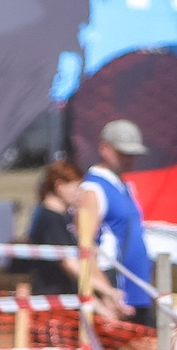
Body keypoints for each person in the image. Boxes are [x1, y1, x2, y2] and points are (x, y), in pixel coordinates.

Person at [74, 120, 155, 323]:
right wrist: (106, 292)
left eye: (132, 154)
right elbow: (85, 246)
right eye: (123, 153)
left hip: (137, 290)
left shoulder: (125, 186)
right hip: (115, 289)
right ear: (105, 149)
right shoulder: (93, 190)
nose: (129, 160)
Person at [24, 160, 87, 298]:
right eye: (77, 187)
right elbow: (68, 263)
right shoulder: (48, 218)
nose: (80, 193)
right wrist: (104, 293)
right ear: (59, 186)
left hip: (68, 297)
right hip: (52, 300)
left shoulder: (64, 217)